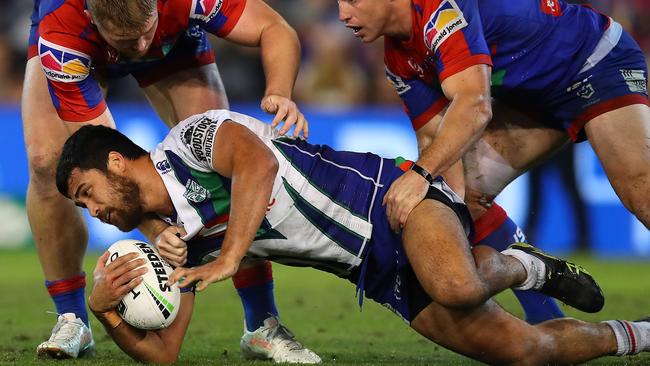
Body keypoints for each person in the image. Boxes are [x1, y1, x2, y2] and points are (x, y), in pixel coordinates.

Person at [53, 109, 650, 364]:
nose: (93, 212)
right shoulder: (169, 244)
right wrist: (106, 312)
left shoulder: (193, 141)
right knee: (524, 352)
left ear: (116, 162)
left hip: (392, 202)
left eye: (87, 193)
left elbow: (258, 168)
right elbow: (165, 353)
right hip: (374, 272)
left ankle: (525, 267)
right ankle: (639, 334)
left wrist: (228, 257)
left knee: (456, 284)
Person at [25, 0, 318, 362]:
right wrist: (155, 230)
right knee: (48, 162)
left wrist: (279, 91)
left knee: (220, 163)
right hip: (84, 48)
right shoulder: (63, 32)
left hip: (174, 39)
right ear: (92, 17)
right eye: (126, 42)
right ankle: (72, 318)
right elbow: (103, 166)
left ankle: (261, 322)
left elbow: (275, 28)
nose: (140, 49)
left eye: (144, 33)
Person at [337, 0, 650, 322]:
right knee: (463, 197)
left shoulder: (442, 9)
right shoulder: (398, 60)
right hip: (533, 97)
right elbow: (436, 144)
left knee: (640, 191)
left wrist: (419, 175)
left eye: (352, 1)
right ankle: (550, 320)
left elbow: (475, 106)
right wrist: (438, 203)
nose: (343, 14)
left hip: (593, 60)